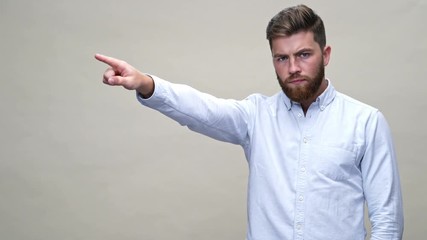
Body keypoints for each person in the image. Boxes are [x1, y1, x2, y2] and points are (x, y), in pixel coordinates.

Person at [95, 4, 404, 240]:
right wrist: (147, 83)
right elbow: (202, 110)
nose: (293, 67)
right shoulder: (256, 116)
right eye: (281, 58)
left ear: (326, 54)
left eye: (304, 54)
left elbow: (387, 219)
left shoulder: (366, 122)